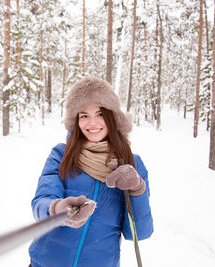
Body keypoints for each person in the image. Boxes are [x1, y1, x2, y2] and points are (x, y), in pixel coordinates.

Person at [28, 76, 153, 267]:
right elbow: (40, 203)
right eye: (83, 115)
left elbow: (139, 233)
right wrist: (58, 209)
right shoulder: (61, 154)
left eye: (100, 114)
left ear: (112, 116)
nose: (92, 123)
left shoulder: (131, 164)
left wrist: (137, 189)